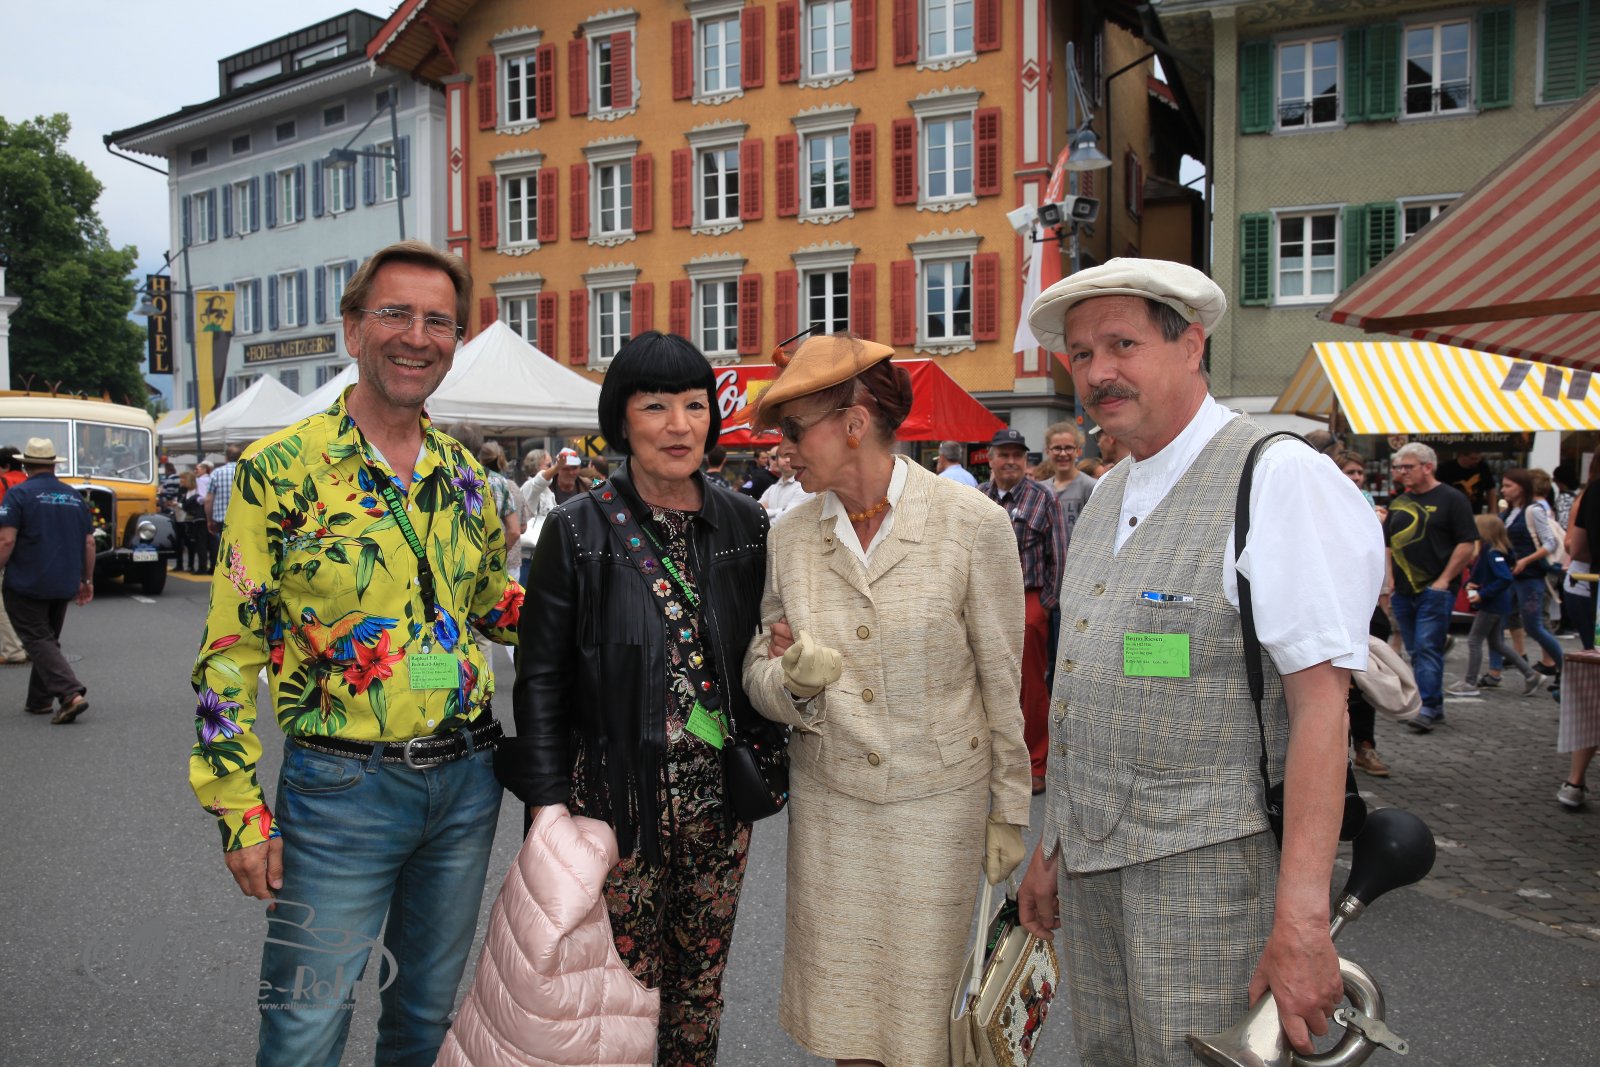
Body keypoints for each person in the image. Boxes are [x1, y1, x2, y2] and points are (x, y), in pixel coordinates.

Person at [1014, 258, 1383, 1064]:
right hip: (1095, 874)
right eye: (1081, 353)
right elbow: (1082, 688)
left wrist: (1303, 919)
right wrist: (1052, 849)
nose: (1098, 372)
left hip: (1212, 883)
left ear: (1191, 345)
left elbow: (1322, 709)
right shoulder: (1107, 493)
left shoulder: (1278, 475)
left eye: (1123, 343)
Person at [189, 240, 523, 1066]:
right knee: (304, 1029)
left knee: (424, 1020)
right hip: (341, 791)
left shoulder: (465, 476)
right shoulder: (278, 471)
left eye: (439, 321)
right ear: (352, 329)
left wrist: (612, 601)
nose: (418, 336)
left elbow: (490, 603)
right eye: (396, 313)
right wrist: (239, 810)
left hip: (466, 784)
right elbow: (229, 653)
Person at [738, 333, 1029, 1064]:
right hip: (833, 814)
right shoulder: (789, 537)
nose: (782, 450)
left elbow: (1003, 681)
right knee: (847, 1022)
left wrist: (1010, 808)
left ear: (854, 423)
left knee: (925, 1028)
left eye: (793, 430)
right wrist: (793, 683)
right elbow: (757, 672)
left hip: (939, 811)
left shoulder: (971, 525)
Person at [500, 331, 769, 1065]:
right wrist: (547, 804)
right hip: (610, 807)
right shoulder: (576, 529)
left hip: (717, 810)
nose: (679, 425)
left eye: (694, 405)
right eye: (655, 406)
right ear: (621, 419)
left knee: (700, 988)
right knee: (612, 991)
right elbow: (541, 678)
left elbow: (758, 657)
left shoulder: (746, 525)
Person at [980, 426, 1067, 796]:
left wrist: (1046, 606)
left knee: (1030, 684)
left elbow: (1059, 555)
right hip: (983, 598)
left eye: (1018, 455)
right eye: (1004, 454)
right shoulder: (977, 497)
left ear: (1025, 460)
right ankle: (989, 760)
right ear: (991, 458)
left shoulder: (1043, 497)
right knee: (984, 680)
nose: (1011, 461)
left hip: (1028, 598)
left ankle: (1035, 762)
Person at [0, 438, 95, 722]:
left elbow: (6, 540)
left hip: (26, 579)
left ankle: (70, 694)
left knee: (37, 638)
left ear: (25, 465)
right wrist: (87, 580)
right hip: (64, 580)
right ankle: (39, 700)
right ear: (54, 465)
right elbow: (89, 542)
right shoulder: (74, 497)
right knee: (47, 638)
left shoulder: (18, 494)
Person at [1385, 442, 1478, 732]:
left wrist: (1444, 580)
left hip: (1434, 590)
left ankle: (1428, 707)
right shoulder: (1400, 502)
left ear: (1428, 467)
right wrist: (1389, 580)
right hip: (1403, 590)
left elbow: (1467, 543)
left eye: (1408, 467)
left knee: (1426, 647)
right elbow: (1387, 544)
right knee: (1416, 649)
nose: (1402, 472)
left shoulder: (1452, 499)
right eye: (1398, 467)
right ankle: (1430, 704)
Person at [1335, 450, 1393, 777]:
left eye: (1359, 472)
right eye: (1350, 472)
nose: (1356, 478)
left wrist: (1384, 593)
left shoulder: (1369, 506)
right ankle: (1336, 753)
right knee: (1339, 686)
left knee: (1364, 682)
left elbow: (1378, 557)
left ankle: (1364, 746)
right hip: (1337, 603)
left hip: (1365, 605)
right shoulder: (1326, 502)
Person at [1447, 514, 1543, 699]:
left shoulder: (1492, 552)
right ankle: (1531, 675)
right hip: (1497, 603)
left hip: (1492, 604)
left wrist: (1483, 594)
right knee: (1497, 643)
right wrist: (1472, 583)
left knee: (1474, 640)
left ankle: (1470, 682)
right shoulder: (1492, 550)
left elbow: (1505, 578)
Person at [1500, 467, 1564, 693]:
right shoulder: (1509, 512)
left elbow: (1550, 543)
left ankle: (1563, 667)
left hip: (1529, 576)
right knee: (1500, 622)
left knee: (1534, 626)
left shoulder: (1533, 510)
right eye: (1503, 485)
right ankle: (1500, 671)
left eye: (1508, 486)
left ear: (1522, 488)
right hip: (1511, 576)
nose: (1503, 490)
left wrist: (1526, 560)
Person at [1043, 422, 1098, 549]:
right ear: (1047, 451)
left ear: (1078, 450)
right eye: (1057, 448)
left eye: (1068, 448)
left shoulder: (1091, 487)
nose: (1063, 454)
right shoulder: (1041, 490)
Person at [0, 445, 32, 664]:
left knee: (1, 602)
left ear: (4, 465)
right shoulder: (31, 484)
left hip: (7, 547)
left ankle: (12, 649)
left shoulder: (3, 483)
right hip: (31, 551)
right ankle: (30, 643)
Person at [204, 444, 242, 571]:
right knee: (241, 546)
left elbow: (209, 499)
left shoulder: (217, 473)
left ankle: (225, 571)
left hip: (221, 518)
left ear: (226, 458)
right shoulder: (246, 471)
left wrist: (209, 520)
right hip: (242, 517)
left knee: (223, 546)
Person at [758, 450, 814, 522]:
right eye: (784, 456)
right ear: (777, 460)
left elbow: (788, 516)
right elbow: (756, 511)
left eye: (792, 456)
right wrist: (780, 510)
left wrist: (767, 513)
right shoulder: (772, 488)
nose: (788, 460)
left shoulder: (805, 486)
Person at [1438, 448, 1495, 513]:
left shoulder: (1482, 467)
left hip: (1475, 511)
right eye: (1472, 459)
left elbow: (1490, 489)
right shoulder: (1445, 468)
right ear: (1462, 456)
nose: (1476, 461)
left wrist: (1492, 510)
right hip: (1452, 511)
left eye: (1478, 459)